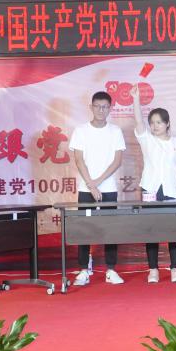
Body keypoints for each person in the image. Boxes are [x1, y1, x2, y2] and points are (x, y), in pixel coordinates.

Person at [131, 83, 176, 283]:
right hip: (150, 189)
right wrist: (136, 99)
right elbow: (138, 121)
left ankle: (175, 269)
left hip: (172, 191)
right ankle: (153, 269)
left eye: (159, 122)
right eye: (152, 122)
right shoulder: (147, 139)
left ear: (167, 124)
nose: (155, 126)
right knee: (152, 230)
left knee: (174, 230)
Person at [69, 91, 126, 286]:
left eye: (105, 107)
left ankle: (111, 269)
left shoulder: (115, 131)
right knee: (84, 229)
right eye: (97, 106)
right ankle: (84, 270)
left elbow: (117, 161)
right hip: (86, 189)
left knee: (110, 229)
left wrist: (97, 182)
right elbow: (79, 160)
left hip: (108, 188)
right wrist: (90, 185)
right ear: (91, 107)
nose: (101, 110)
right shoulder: (81, 130)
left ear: (110, 108)